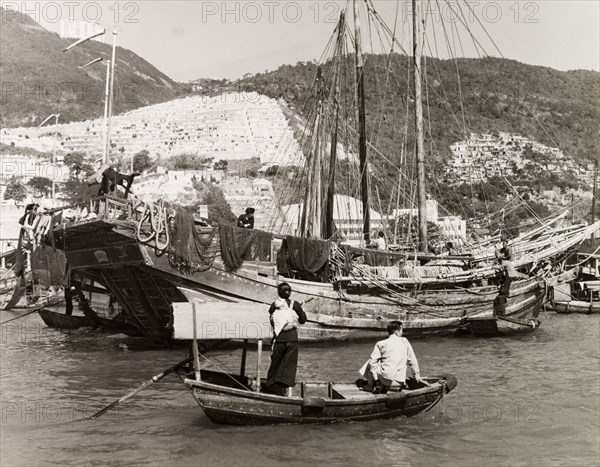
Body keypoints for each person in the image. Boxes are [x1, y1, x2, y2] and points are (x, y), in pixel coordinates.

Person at [358, 321, 428, 393]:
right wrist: (417, 376)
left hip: (384, 380)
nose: (402, 332)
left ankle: (371, 385)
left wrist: (376, 379)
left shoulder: (380, 343)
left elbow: (372, 362)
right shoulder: (405, 341)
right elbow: (412, 361)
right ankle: (380, 384)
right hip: (399, 381)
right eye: (401, 330)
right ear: (396, 331)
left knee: (371, 362)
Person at [265, 282, 307, 396]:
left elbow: (271, 319)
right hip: (292, 339)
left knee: (275, 365)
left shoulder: (274, 305)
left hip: (279, 339)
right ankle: (286, 394)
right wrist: (301, 309)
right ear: (290, 292)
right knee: (289, 367)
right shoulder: (295, 304)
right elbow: (303, 320)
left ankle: (271, 389)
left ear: (279, 292)